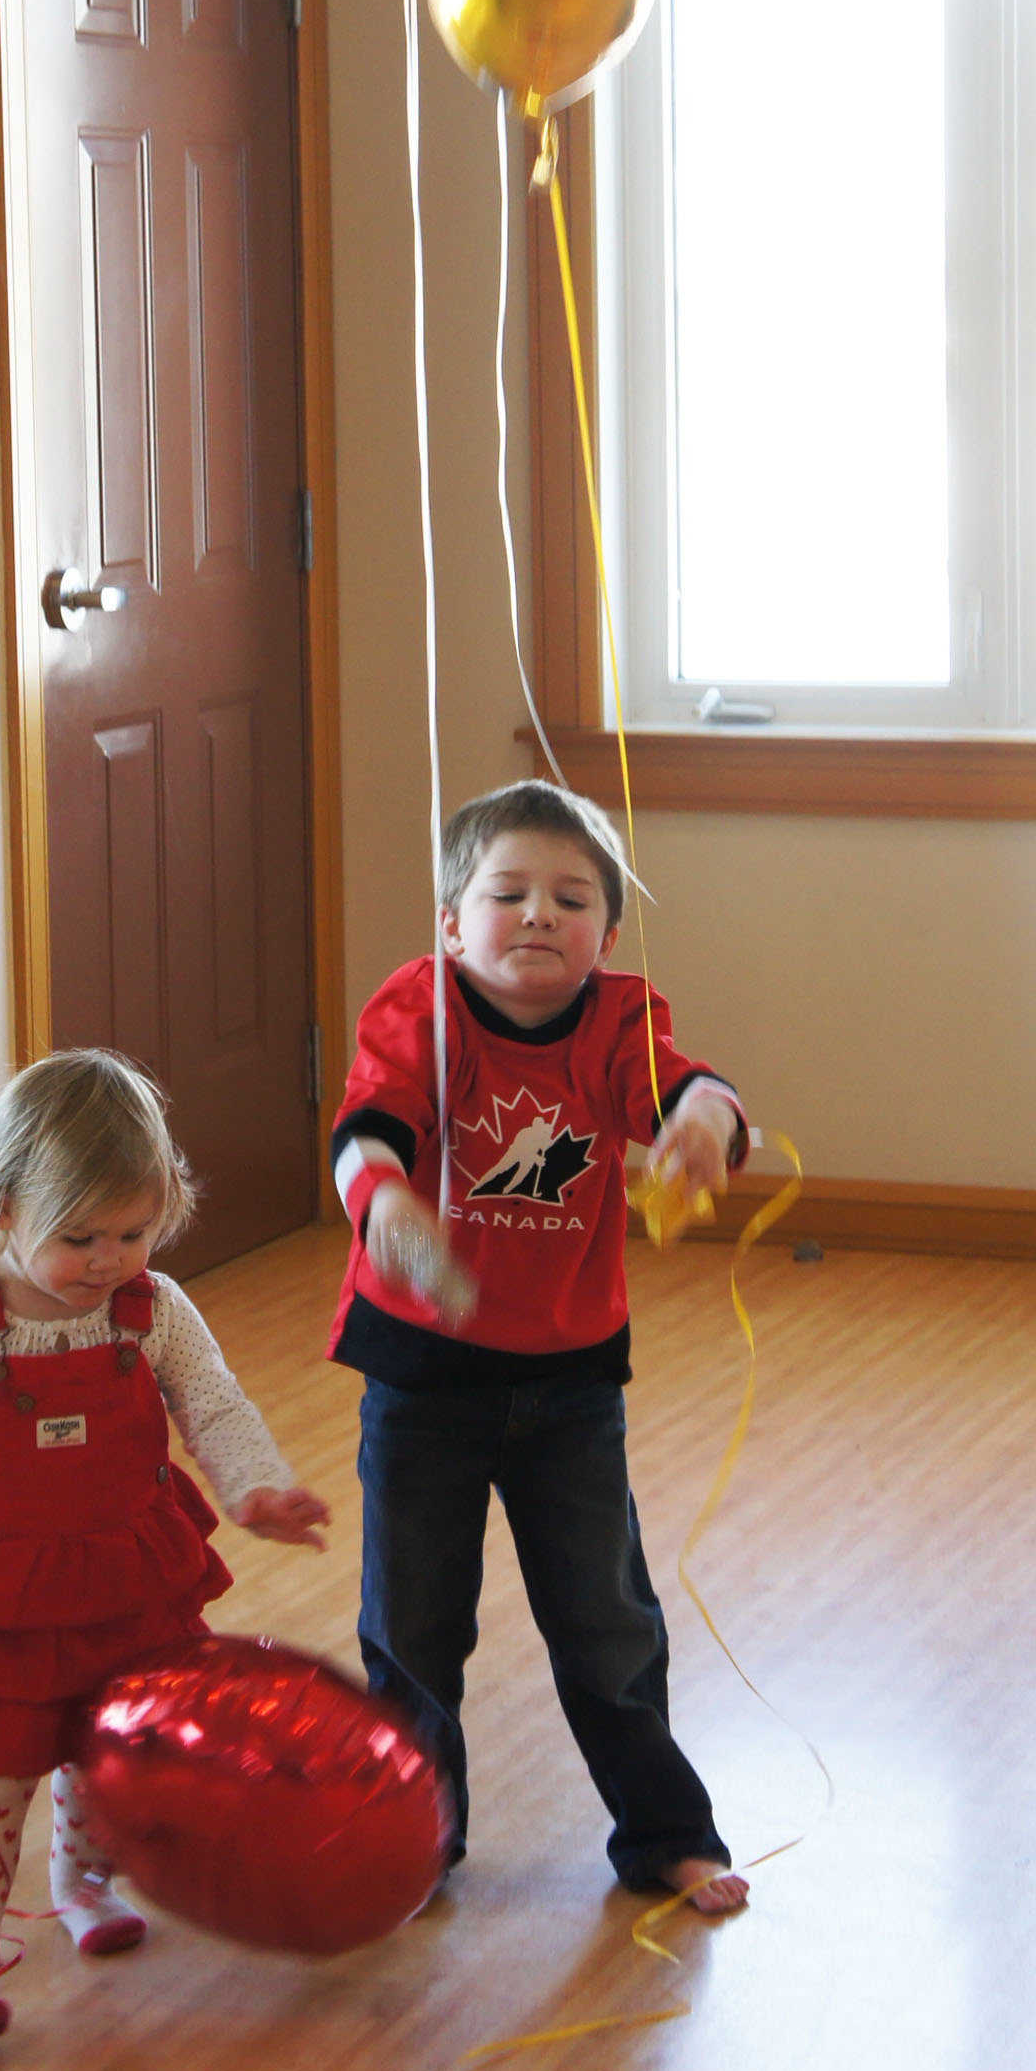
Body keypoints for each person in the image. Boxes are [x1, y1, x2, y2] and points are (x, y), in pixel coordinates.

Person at [0, 1051, 330, 2044]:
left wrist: (254, 1484)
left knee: (105, 1751)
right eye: (78, 1237)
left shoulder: (154, 1310)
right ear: (4, 1209)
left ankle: (82, 1881)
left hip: (122, 1581)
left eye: (134, 1233)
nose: (108, 1260)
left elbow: (212, 1403)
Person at [332, 777, 750, 1916]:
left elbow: (686, 1086)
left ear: (603, 938)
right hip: (422, 1379)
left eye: (570, 899)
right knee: (413, 1627)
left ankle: (666, 1833)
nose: (536, 914)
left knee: (606, 1623)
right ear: (449, 923)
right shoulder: (418, 1008)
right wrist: (384, 1202)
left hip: (568, 1386)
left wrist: (701, 1121)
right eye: (506, 892)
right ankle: (416, 1834)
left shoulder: (617, 1018)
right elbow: (364, 1128)